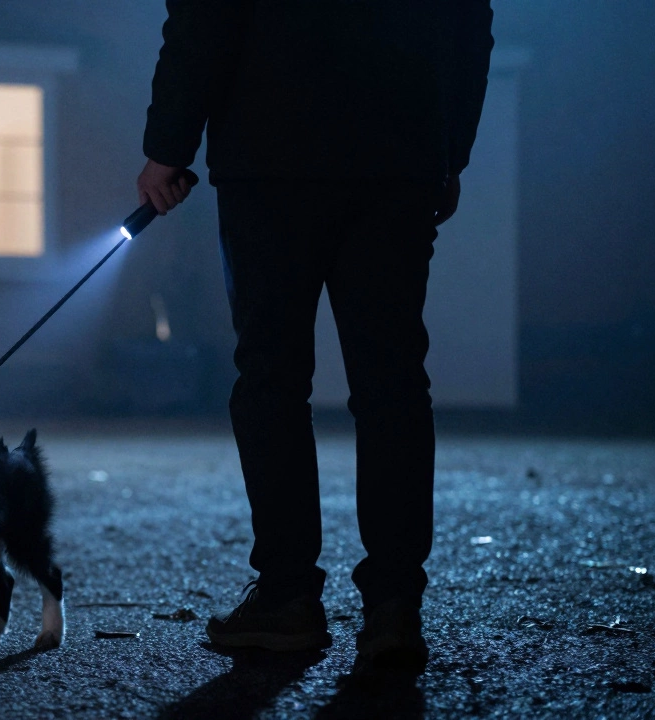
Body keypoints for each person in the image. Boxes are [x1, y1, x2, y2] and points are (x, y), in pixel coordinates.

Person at [137, 0, 494, 666]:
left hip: (270, 154)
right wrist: (449, 150)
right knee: (391, 382)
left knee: (272, 379)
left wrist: (168, 147)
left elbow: (204, 22)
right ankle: (393, 605)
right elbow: (469, 20)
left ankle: (287, 596)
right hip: (397, 152)